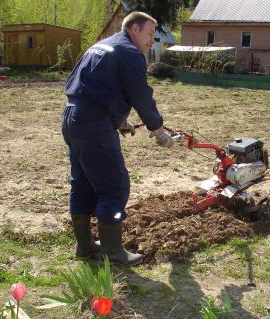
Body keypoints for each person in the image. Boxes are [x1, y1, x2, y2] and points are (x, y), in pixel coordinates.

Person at [61, 11, 173, 266]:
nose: (151, 41)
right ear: (134, 29)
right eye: (148, 34)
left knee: (83, 182)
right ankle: (113, 251)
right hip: (93, 124)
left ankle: (85, 245)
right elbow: (141, 95)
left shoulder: (100, 47)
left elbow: (93, 86)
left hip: (72, 117)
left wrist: (118, 119)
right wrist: (157, 129)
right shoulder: (130, 53)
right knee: (115, 185)